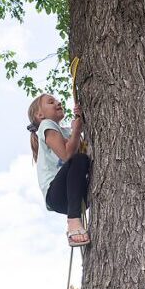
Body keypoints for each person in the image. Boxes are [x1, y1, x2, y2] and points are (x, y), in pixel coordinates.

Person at [26, 93, 91, 247]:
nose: (57, 102)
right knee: (79, 160)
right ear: (40, 115)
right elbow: (67, 155)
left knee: (82, 160)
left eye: (56, 100)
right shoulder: (46, 125)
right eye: (51, 102)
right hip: (56, 194)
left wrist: (80, 120)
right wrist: (76, 131)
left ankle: (75, 215)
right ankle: (73, 221)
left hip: (75, 194)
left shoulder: (66, 131)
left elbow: (77, 144)